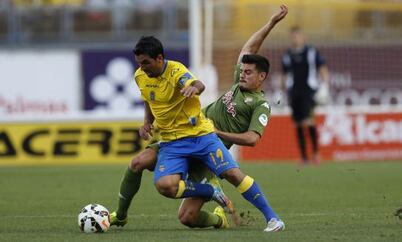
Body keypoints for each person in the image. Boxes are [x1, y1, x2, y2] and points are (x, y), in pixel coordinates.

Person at [111, 5, 288, 232]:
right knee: (138, 163)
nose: (242, 73)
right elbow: (248, 48)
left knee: (190, 214)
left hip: (206, 142)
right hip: (177, 136)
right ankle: (122, 215)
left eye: (248, 72)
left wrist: (218, 131)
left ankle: (270, 219)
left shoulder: (261, 105)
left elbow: (253, 139)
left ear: (261, 77)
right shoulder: (238, 84)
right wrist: (271, 23)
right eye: (242, 70)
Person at [281, 26, 330, 165]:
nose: (295, 39)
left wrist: (325, 86)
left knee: (308, 121)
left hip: (308, 92)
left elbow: (322, 69)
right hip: (293, 92)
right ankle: (304, 157)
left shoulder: (311, 52)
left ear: (303, 37)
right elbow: (284, 75)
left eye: (297, 36)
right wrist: (281, 91)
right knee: (297, 124)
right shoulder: (287, 55)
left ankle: (315, 154)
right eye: (293, 36)